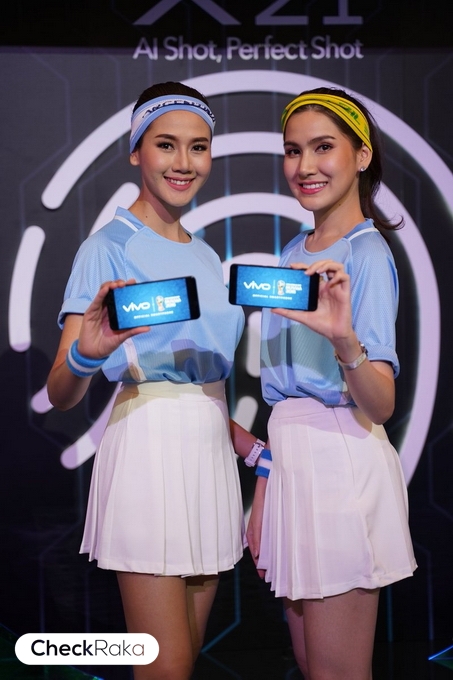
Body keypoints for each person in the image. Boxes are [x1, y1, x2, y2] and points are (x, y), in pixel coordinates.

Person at [47, 82, 265, 680]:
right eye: (166, 144)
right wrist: (87, 355)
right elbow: (61, 391)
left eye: (198, 147)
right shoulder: (106, 247)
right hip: (148, 449)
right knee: (164, 668)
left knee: (182, 663)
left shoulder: (207, 256)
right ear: (136, 151)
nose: (183, 162)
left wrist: (252, 449)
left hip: (210, 459)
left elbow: (205, 385)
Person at [247, 88, 417, 680]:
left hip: (340, 462)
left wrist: (345, 341)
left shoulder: (366, 254)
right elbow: (283, 398)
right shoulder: (293, 250)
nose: (305, 166)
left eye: (324, 147)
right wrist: (266, 488)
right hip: (293, 466)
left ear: (361, 156)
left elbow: (381, 403)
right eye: (293, 150)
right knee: (310, 664)